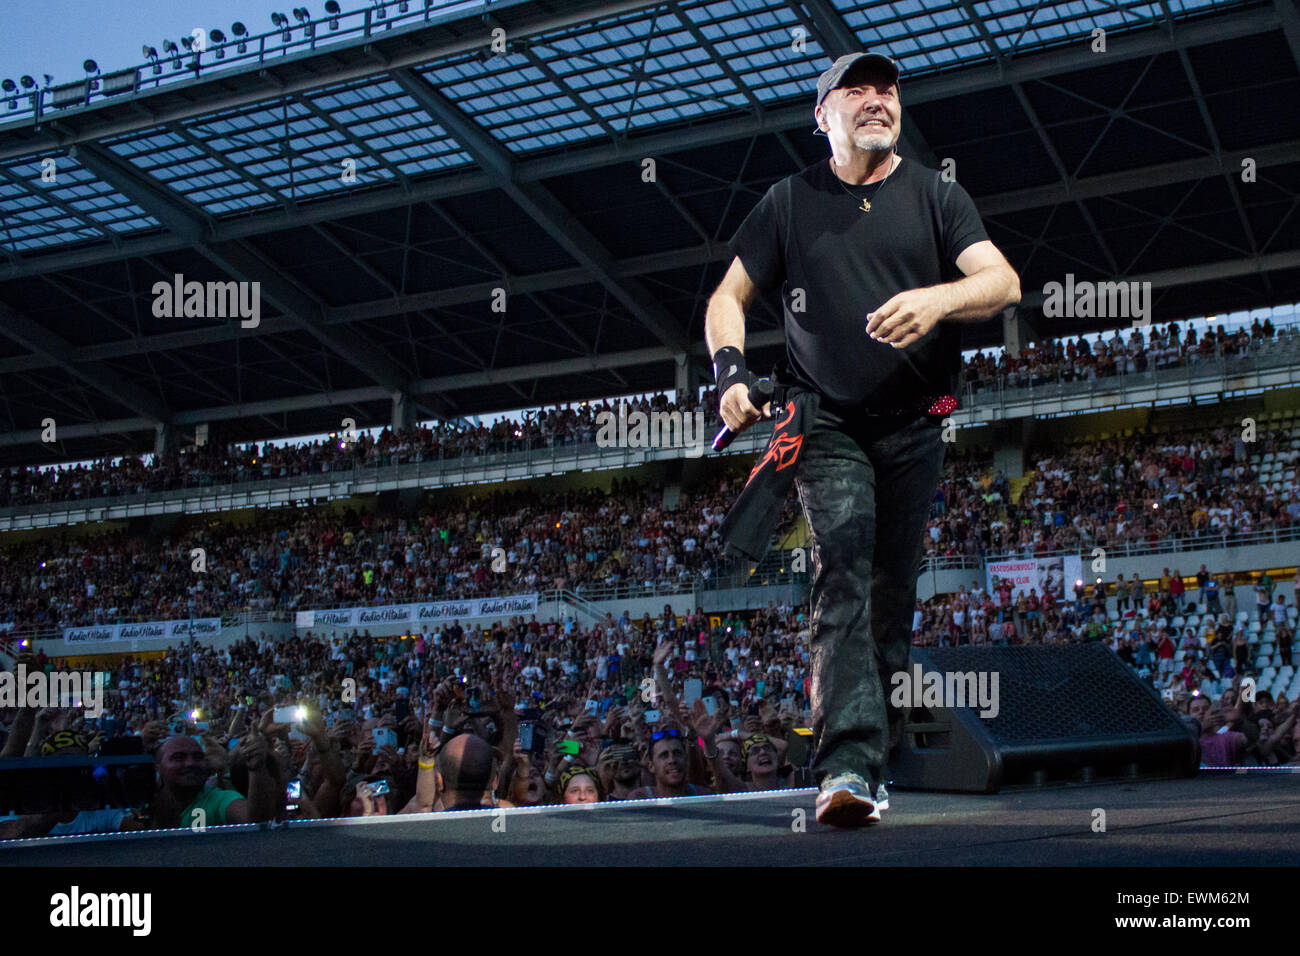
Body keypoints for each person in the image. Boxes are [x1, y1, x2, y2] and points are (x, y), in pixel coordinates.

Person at [705, 50, 1019, 828]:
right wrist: (731, 373)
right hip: (828, 420)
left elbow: (1003, 281)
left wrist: (939, 301)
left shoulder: (937, 195)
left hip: (917, 421)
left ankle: (874, 757)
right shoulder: (787, 203)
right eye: (858, 90)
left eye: (889, 90)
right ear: (824, 116)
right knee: (841, 566)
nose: (879, 100)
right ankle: (845, 766)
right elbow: (727, 297)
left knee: (890, 595)